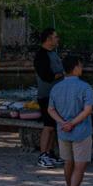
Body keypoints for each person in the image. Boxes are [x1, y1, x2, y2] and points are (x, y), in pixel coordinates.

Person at [48, 54, 93, 186]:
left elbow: (50, 109)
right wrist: (73, 123)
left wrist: (63, 123)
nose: (82, 68)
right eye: (81, 65)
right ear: (75, 68)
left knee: (68, 163)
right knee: (80, 166)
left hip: (63, 132)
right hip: (81, 131)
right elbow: (88, 110)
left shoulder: (56, 87)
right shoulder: (85, 87)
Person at [33, 28, 65, 168]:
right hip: (46, 96)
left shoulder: (53, 53)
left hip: (56, 96)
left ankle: (50, 153)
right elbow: (46, 76)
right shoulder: (41, 56)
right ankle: (42, 155)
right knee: (48, 126)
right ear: (48, 39)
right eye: (55, 37)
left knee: (54, 126)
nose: (58, 39)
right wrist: (63, 73)